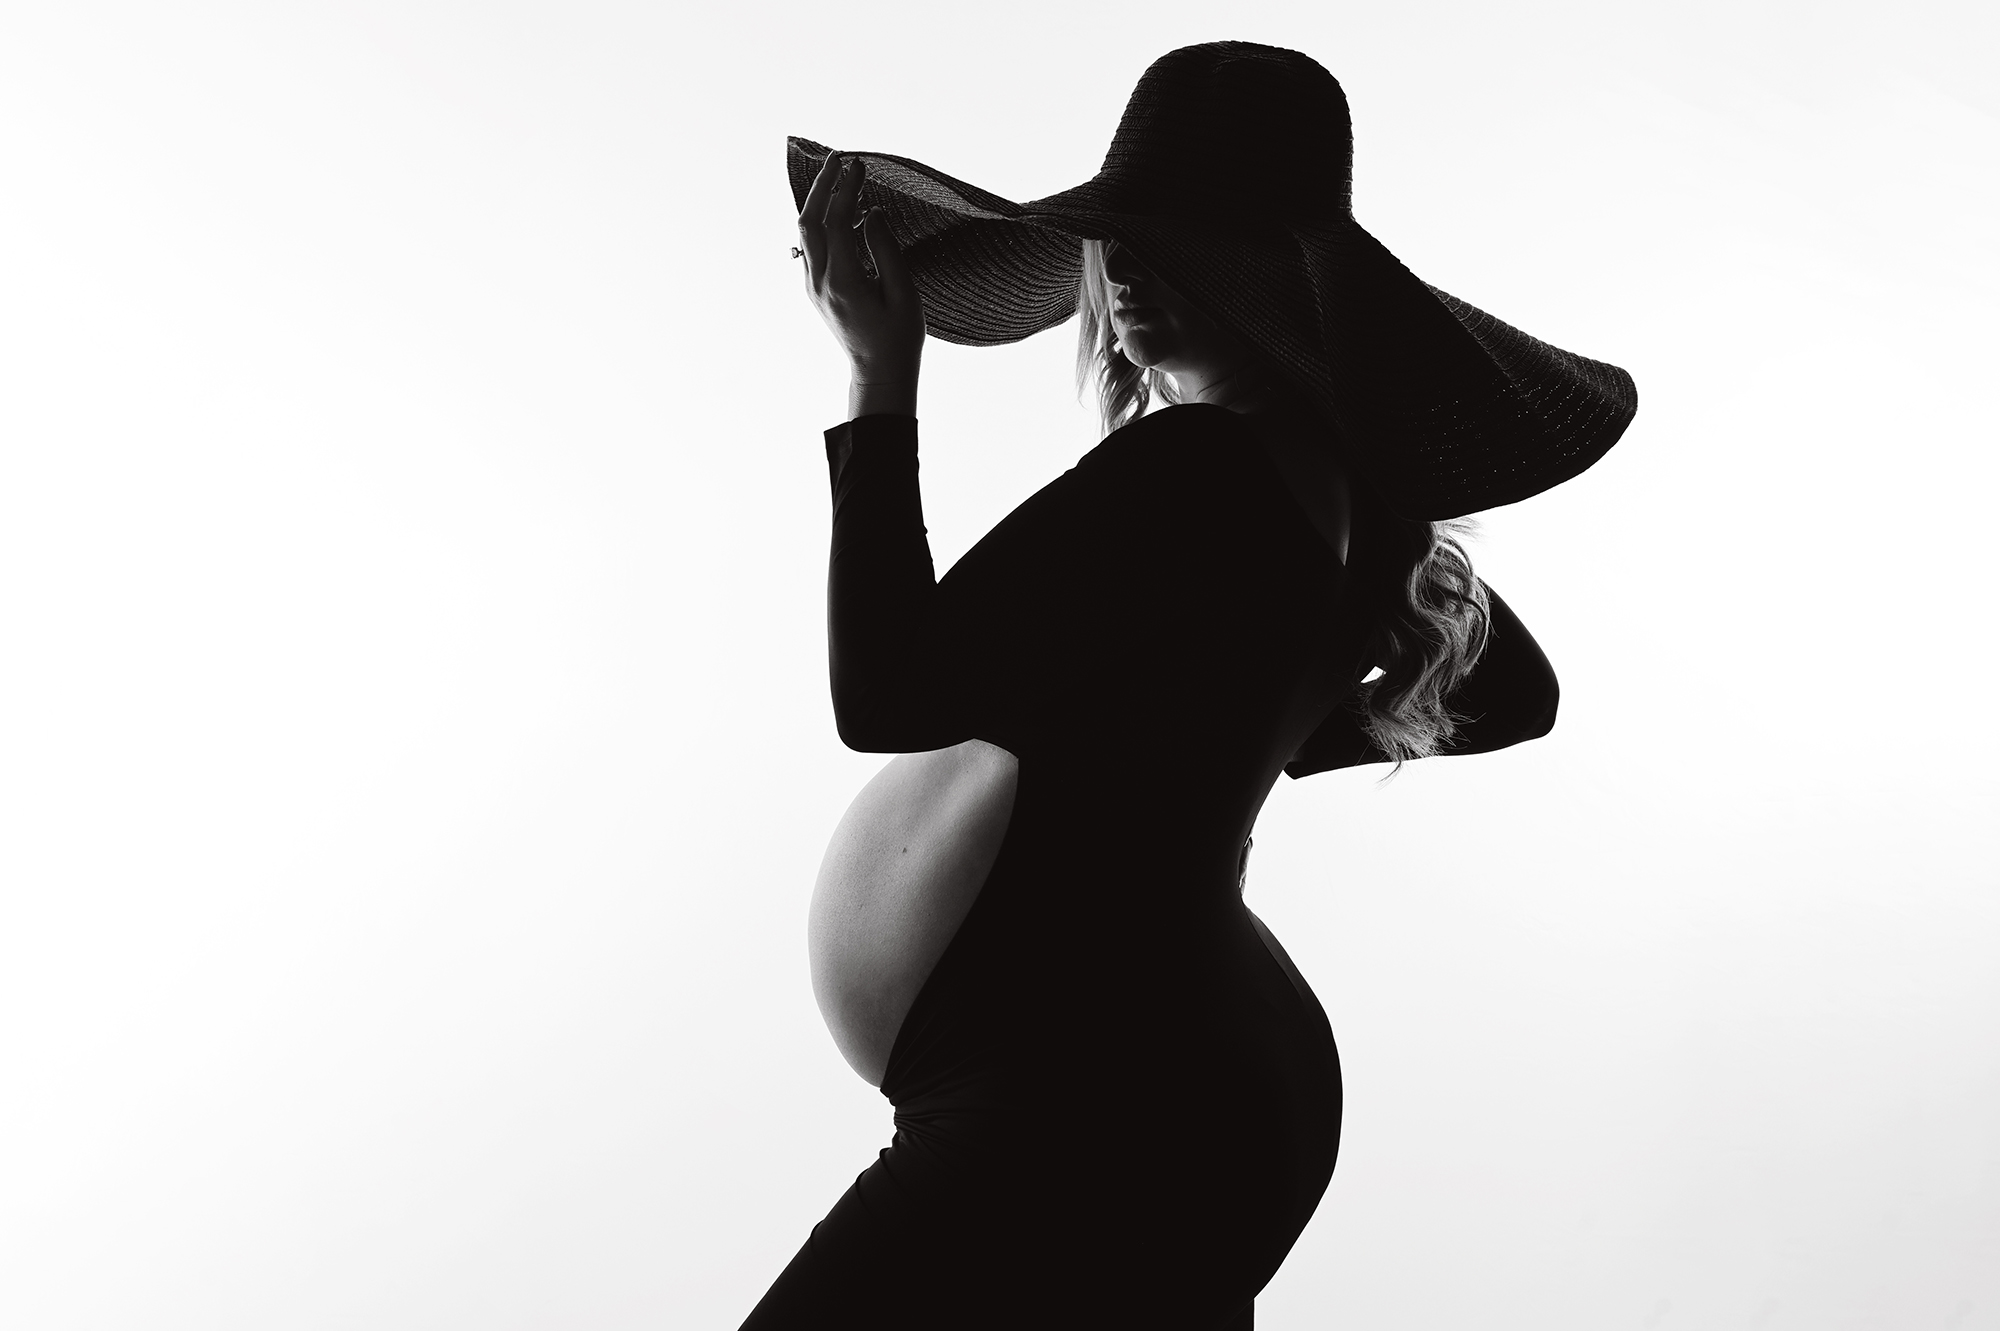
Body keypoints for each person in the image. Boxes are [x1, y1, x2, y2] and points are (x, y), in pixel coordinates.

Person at [744, 42, 1636, 1329]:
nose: (1136, 284)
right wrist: (1205, 742)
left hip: (1077, 1097)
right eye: (1126, 241)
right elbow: (1510, 689)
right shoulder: (1344, 496)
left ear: (1281, 276)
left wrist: (878, 382)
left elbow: (882, 693)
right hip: (1180, 1088)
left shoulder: (1200, 465)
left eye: (1188, 248)